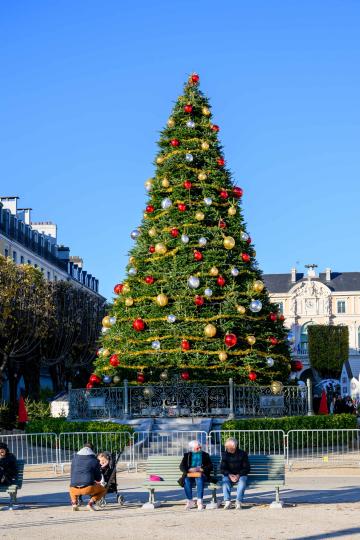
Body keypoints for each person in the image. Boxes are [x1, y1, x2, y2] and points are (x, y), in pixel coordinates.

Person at [69, 442, 106, 511]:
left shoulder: (74, 459)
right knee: (103, 490)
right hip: (88, 488)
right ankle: (90, 504)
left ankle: (74, 503)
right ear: (92, 450)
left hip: (74, 488)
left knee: (71, 488)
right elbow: (98, 478)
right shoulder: (94, 460)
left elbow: (72, 474)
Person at [179, 440, 212, 511]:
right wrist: (189, 470)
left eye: (200, 447)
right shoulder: (187, 455)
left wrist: (201, 469)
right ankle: (190, 501)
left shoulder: (205, 455)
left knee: (199, 478)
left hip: (201, 474)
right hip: (190, 474)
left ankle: (200, 501)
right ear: (192, 449)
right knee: (186, 480)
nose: (199, 449)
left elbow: (210, 466)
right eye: (197, 448)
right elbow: (182, 466)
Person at [221, 437, 250, 510]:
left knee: (242, 481)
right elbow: (222, 468)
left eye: (228, 447)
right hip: (229, 475)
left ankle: (238, 501)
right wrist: (229, 475)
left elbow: (247, 468)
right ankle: (227, 501)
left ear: (234, 446)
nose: (227, 448)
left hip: (241, 475)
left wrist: (238, 475)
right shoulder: (225, 455)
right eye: (226, 447)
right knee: (225, 481)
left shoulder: (243, 454)